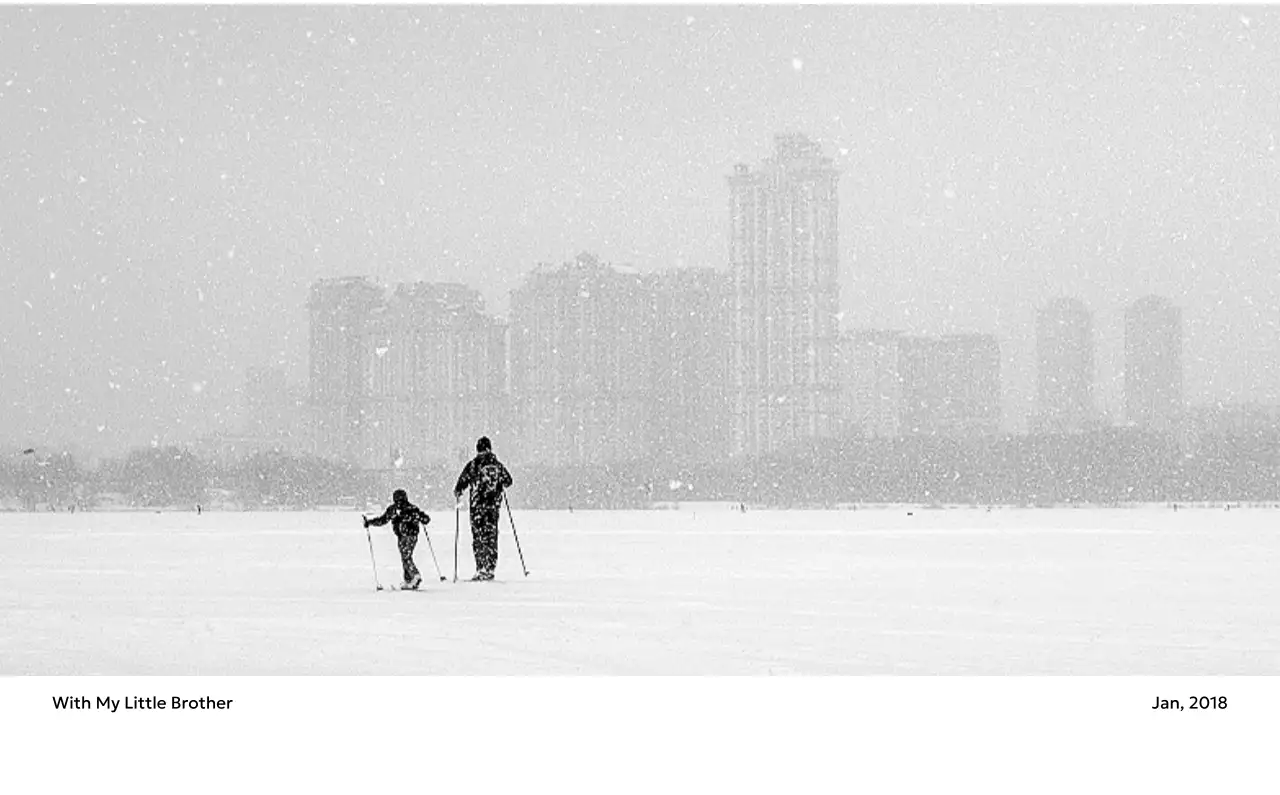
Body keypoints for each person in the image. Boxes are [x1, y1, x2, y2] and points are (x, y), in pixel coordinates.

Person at [453, 436, 513, 581]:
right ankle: (490, 568)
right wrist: (498, 485)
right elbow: (509, 481)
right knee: (491, 537)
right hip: (493, 508)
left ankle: (481, 568)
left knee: (478, 537)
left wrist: (458, 491)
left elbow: (461, 484)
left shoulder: (474, 465)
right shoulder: (497, 465)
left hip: (477, 508)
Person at [365, 489, 431, 590]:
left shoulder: (399, 509)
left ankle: (415, 576)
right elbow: (426, 519)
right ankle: (408, 581)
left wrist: (370, 522)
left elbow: (382, 520)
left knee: (406, 557)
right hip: (406, 536)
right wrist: (370, 522)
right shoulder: (410, 508)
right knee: (405, 556)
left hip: (407, 536)